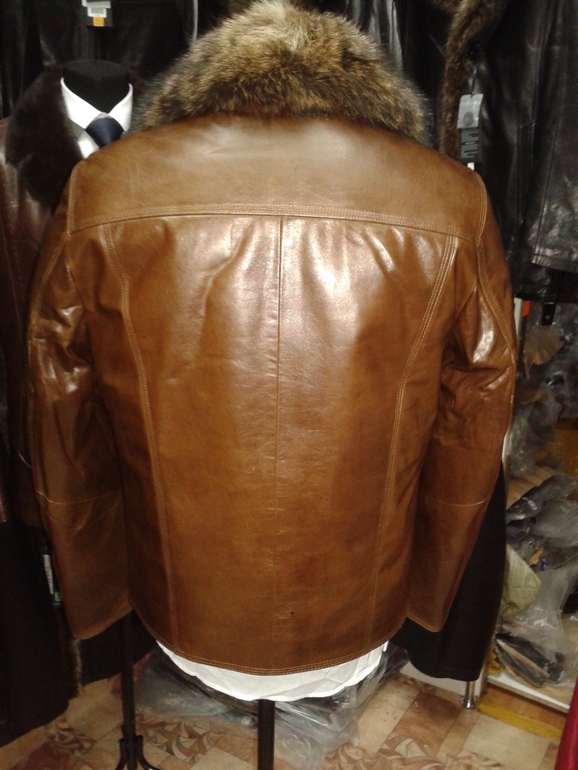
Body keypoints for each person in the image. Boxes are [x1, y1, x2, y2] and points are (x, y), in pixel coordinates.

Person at [28, 0, 515, 691]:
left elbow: (60, 397)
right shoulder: (449, 197)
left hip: (185, 593)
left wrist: (97, 579)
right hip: (356, 600)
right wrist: (428, 579)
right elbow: (480, 402)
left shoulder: (104, 187)